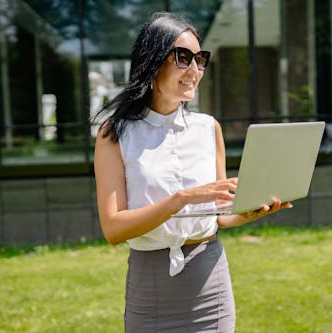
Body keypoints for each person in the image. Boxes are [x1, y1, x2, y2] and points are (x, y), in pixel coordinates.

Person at [94, 12, 292, 333]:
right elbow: (113, 228)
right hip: (151, 290)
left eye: (200, 59)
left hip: (209, 281)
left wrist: (247, 213)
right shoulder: (114, 133)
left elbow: (218, 216)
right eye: (183, 58)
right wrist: (182, 198)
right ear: (154, 62)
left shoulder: (208, 128)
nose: (195, 70)